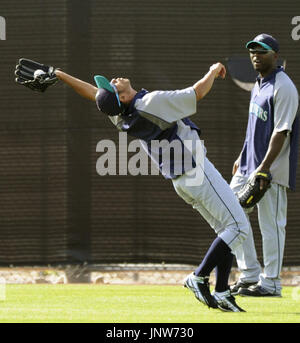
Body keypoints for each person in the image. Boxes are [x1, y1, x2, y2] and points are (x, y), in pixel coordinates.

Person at [53, 63, 249, 312]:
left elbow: (93, 94)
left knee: (226, 229)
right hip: (195, 170)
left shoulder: (120, 115)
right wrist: (213, 71)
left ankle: (222, 290)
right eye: (112, 87)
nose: (112, 80)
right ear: (122, 97)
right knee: (239, 227)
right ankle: (199, 276)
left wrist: (60, 75)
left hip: (182, 180)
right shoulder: (151, 103)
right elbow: (197, 92)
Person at [230, 34, 299, 297]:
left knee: (271, 225)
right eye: (252, 51)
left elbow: (281, 131)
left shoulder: (284, 86)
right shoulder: (259, 84)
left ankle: (271, 282)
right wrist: (242, 156)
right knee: (231, 216)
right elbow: (253, 130)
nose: (256, 55)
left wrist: (264, 167)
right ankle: (249, 274)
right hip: (248, 165)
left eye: (262, 51)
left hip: (271, 170)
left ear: (275, 55)